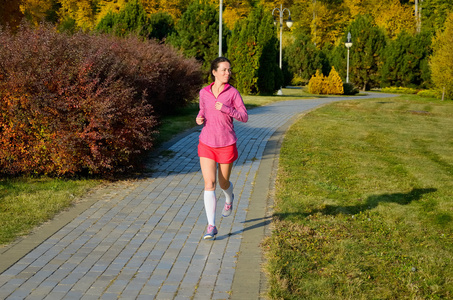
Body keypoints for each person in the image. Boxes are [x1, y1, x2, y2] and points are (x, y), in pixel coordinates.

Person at [196, 57, 248, 239]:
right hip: (207, 143)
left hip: (226, 143)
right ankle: (211, 225)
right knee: (209, 183)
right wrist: (199, 118)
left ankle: (229, 197)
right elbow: (203, 110)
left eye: (229, 70)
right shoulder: (204, 92)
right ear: (214, 72)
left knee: (223, 183)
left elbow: (244, 116)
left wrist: (227, 109)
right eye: (224, 70)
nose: (228, 73)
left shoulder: (233, 93)